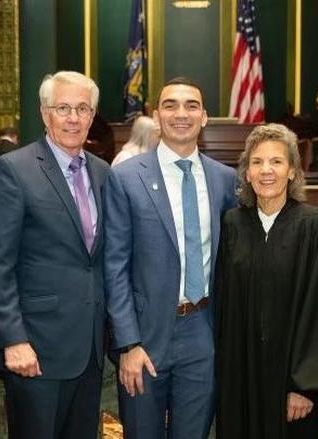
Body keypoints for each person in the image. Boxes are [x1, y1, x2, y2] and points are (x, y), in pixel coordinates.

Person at [104, 77, 237, 438]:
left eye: (191, 105)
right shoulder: (126, 177)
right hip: (145, 337)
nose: (182, 113)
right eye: (171, 105)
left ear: (205, 117)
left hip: (203, 332)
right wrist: (128, 343)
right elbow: (114, 266)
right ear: (155, 115)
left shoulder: (226, 180)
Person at [0, 71, 108, 438]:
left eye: (82, 108)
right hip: (35, 350)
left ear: (92, 115)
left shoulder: (102, 173)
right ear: (44, 113)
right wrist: (13, 339)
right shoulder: (14, 170)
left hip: (89, 351)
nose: (73, 117)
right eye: (63, 108)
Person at [215, 124, 318, 438]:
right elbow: (225, 306)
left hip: (293, 387)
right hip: (242, 381)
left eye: (276, 162)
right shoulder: (233, 224)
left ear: (292, 171)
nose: (266, 171)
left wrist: (305, 386)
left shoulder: (317, 226)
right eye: (257, 162)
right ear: (246, 174)